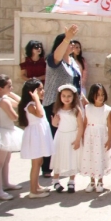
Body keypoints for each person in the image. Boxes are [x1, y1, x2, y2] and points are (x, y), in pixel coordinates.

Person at [42, 25, 82, 178]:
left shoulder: (73, 61)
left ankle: (66, 166)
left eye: (71, 42)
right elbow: (56, 57)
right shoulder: (54, 60)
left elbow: (76, 82)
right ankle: (48, 168)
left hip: (71, 103)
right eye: (69, 42)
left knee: (69, 134)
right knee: (54, 134)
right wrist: (67, 38)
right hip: (55, 103)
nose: (72, 44)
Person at [18, 79, 52, 198]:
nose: (43, 91)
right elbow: (40, 114)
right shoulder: (31, 105)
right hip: (35, 136)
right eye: (40, 89)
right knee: (36, 163)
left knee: (40, 161)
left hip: (39, 134)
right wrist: (37, 99)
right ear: (32, 92)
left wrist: (37, 99)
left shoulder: (35, 103)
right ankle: (33, 191)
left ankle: (36, 186)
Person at [80, 83, 111, 193]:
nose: (101, 97)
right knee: (91, 157)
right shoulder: (87, 108)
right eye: (98, 95)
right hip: (90, 135)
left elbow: (109, 125)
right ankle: (92, 181)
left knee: (100, 157)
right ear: (92, 95)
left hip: (101, 136)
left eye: (102, 94)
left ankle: (100, 181)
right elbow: (84, 123)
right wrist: (82, 137)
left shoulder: (107, 109)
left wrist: (109, 140)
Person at [50, 84, 83, 193]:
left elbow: (81, 126)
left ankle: (72, 181)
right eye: (63, 96)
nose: (66, 98)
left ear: (74, 97)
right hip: (61, 136)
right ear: (60, 97)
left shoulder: (76, 110)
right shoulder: (58, 109)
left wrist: (78, 140)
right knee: (59, 157)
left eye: (69, 96)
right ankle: (55, 179)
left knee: (72, 158)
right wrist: (54, 121)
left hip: (72, 136)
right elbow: (55, 124)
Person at [0, 75, 23, 200]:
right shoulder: (3, 101)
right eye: (9, 86)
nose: (11, 88)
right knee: (0, 163)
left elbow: (20, 102)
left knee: (6, 160)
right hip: (4, 132)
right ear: (0, 89)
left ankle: (6, 183)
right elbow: (14, 117)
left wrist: (10, 93)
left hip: (6, 131)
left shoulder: (4, 98)